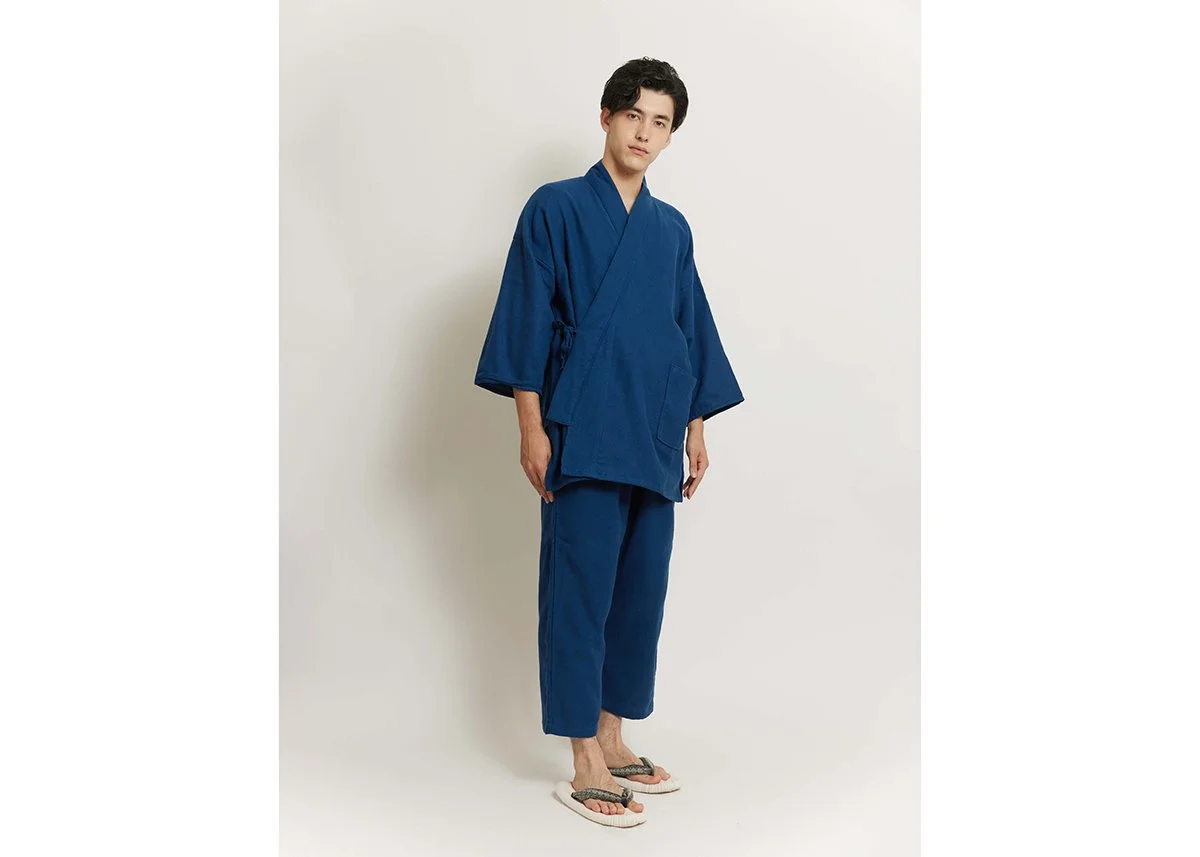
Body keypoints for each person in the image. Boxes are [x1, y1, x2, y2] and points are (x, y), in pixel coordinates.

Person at [473, 57, 744, 827]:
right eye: (634, 116)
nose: (645, 133)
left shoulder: (671, 228)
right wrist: (530, 425)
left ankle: (615, 734)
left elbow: (688, 327)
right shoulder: (554, 208)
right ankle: (583, 755)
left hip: (654, 427)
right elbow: (526, 316)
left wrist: (696, 424)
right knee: (580, 591)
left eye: (661, 122)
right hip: (583, 423)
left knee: (638, 594)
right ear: (606, 117)